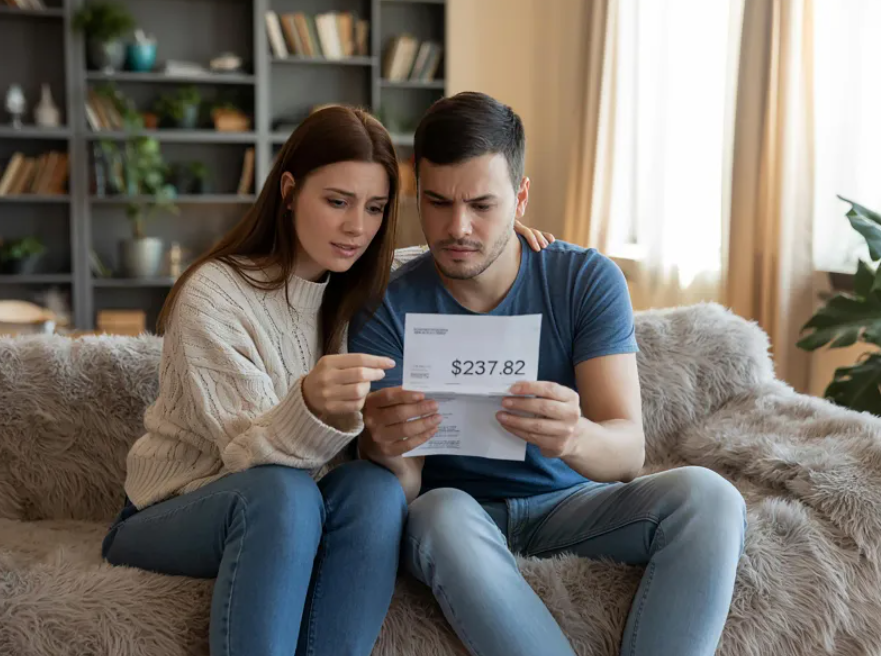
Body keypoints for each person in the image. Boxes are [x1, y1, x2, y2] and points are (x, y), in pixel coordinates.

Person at [100, 104, 553, 656]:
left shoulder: (362, 285)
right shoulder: (215, 296)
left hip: (293, 507)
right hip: (177, 508)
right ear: (290, 191)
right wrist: (309, 406)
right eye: (337, 201)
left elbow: (448, 251)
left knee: (376, 489)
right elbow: (244, 456)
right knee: (282, 493)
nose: (356, 227)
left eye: (375, 208)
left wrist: (500, 233)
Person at [350, 92, 747, 656]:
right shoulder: (385, 304)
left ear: (521, 197)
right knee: (436, 511)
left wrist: (574, 435)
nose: (457, 227)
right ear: (418, 193)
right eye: (437, 202)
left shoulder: (584, 279)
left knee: (711, 497)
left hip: (571, 505)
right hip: (458, 515)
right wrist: (385, 448)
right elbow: (407, 488)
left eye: (482, 205)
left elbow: (627, 451)